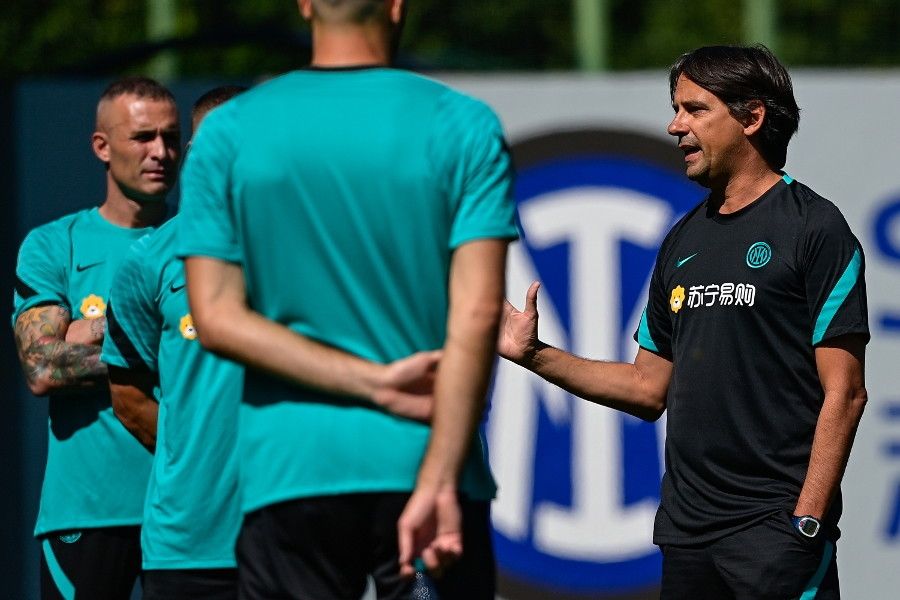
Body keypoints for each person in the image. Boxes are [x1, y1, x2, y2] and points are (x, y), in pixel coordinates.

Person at [499, 45, 868, 600]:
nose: (676, 126)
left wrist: (807, 520)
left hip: (775, 534)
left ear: (751, 117)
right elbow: (646, 388)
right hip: (687, 537)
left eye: (695, 109)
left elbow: (846, 393)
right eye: (676, 109)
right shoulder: (683, 239)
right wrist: (534, 354)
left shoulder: (815, 228)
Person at [177, 0, 518, 598]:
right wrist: (439, 477)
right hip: (426, 464)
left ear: (306, 5)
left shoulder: (228, 132)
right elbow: (478, 312)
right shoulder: (463, 123)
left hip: (290, 473)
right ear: (397, 6)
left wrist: (373, 383)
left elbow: (216, 317)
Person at [101, 84, 444, 600]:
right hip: (192, 541)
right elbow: (128, 395)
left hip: (302, 535)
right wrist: (197, 453)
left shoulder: (326, 252)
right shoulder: (149, 261)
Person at [12, 76, 180, 599]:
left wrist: (91, 331)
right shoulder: (53, 244)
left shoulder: (204, 244)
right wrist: (170, 331)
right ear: (102, 147)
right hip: (87, 512)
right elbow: (42, 366)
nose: (161, 152)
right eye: (144, 137)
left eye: (172, 138)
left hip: (189, 509)